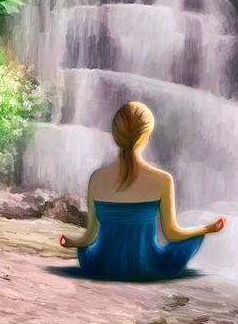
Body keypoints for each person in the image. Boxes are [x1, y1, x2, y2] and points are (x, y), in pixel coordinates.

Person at [60, 101, 225, 281]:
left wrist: (73, 243)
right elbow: (172, 233)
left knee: (89, 249)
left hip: (102, 264)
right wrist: (207, 229)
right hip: (148, 265)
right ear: (146, 137)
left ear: (115, 136)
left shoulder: (97, 179)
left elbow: (90, 236)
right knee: (194, 237)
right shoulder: (162, 179)